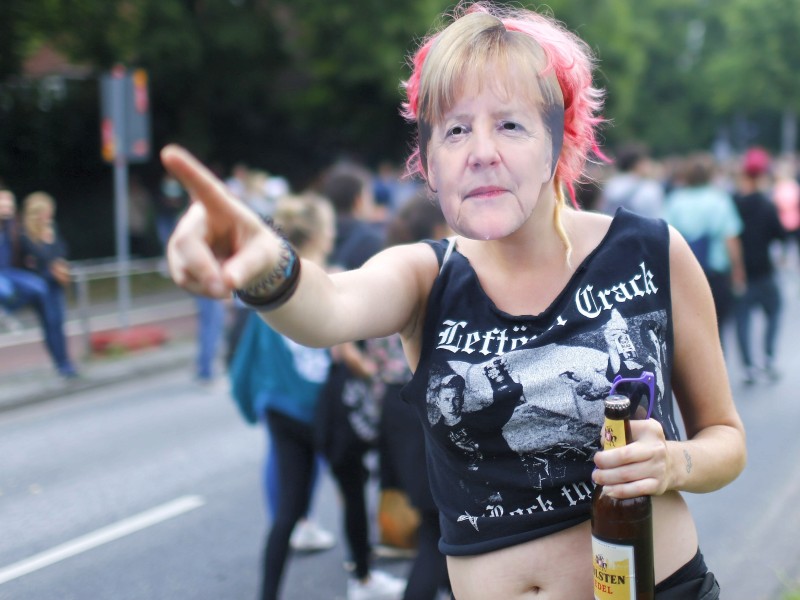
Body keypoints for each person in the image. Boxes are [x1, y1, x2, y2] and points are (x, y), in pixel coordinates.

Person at [162, 3, 746, 598]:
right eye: (456, 129)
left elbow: (725, 437)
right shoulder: (425, 277)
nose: (481, 151)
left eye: (511, 125)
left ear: (558, 141)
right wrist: (265, 263)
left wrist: (673, 464)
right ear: (431, 162)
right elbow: (327, 307)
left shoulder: (650, 251)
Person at [229, 192, 404, 600]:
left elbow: (252, 351)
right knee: (352, 491)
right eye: (329, 227)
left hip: (282, 407)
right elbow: (342, 349)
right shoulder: (330, 277)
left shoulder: (270, 285)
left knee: (288, 510)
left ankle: (268, 593)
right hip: (326, 411)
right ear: (321, 234)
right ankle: (362, 579)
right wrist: (377, 373)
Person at [664, 152, 747, 341]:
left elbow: (665, 235)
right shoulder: (719, 200)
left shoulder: (675, 200)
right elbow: (731, 239)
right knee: (718, 325)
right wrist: (738, 271)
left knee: (688, 326)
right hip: (715, 271)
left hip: (683, 271)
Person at [0, 189, 77, 378]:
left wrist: (58, 265)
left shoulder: (16, 227)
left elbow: (61, 250)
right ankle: (7, 311)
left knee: (57, 323)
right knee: (47, 317)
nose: (8, 207)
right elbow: (32, 259)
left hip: (51, 282)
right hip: (28, 277)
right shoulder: (24, 232)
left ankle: (64, 364)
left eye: (10, 203)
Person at [732, 147, 787, 384]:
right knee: (774, 310)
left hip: (741, 271)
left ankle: (748, 366)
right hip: (764, 270)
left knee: (742, 319)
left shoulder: (733, 202)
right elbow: (780, 235)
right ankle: (768, 356)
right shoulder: (767, 204)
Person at [598, 142, 665, 218]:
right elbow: (655, 217)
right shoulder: (650, 187)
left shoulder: (611, 183)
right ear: (638, 163)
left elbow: (603, 209)